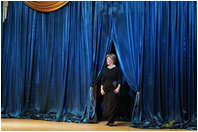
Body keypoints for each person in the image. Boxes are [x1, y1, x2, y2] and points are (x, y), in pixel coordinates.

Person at [101, 54, 122, 126]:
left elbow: (120, 79)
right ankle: (109, 120)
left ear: (112, 60)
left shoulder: (117, 69)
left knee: (112, 105)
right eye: (107, 60)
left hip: (113, 88)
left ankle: (111, 121)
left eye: (109, 59)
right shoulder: (105, 70)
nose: (107, 61)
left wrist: (118, 88)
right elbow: (102, 81)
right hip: (106, 89)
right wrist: (101, 89)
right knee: (106, 105)